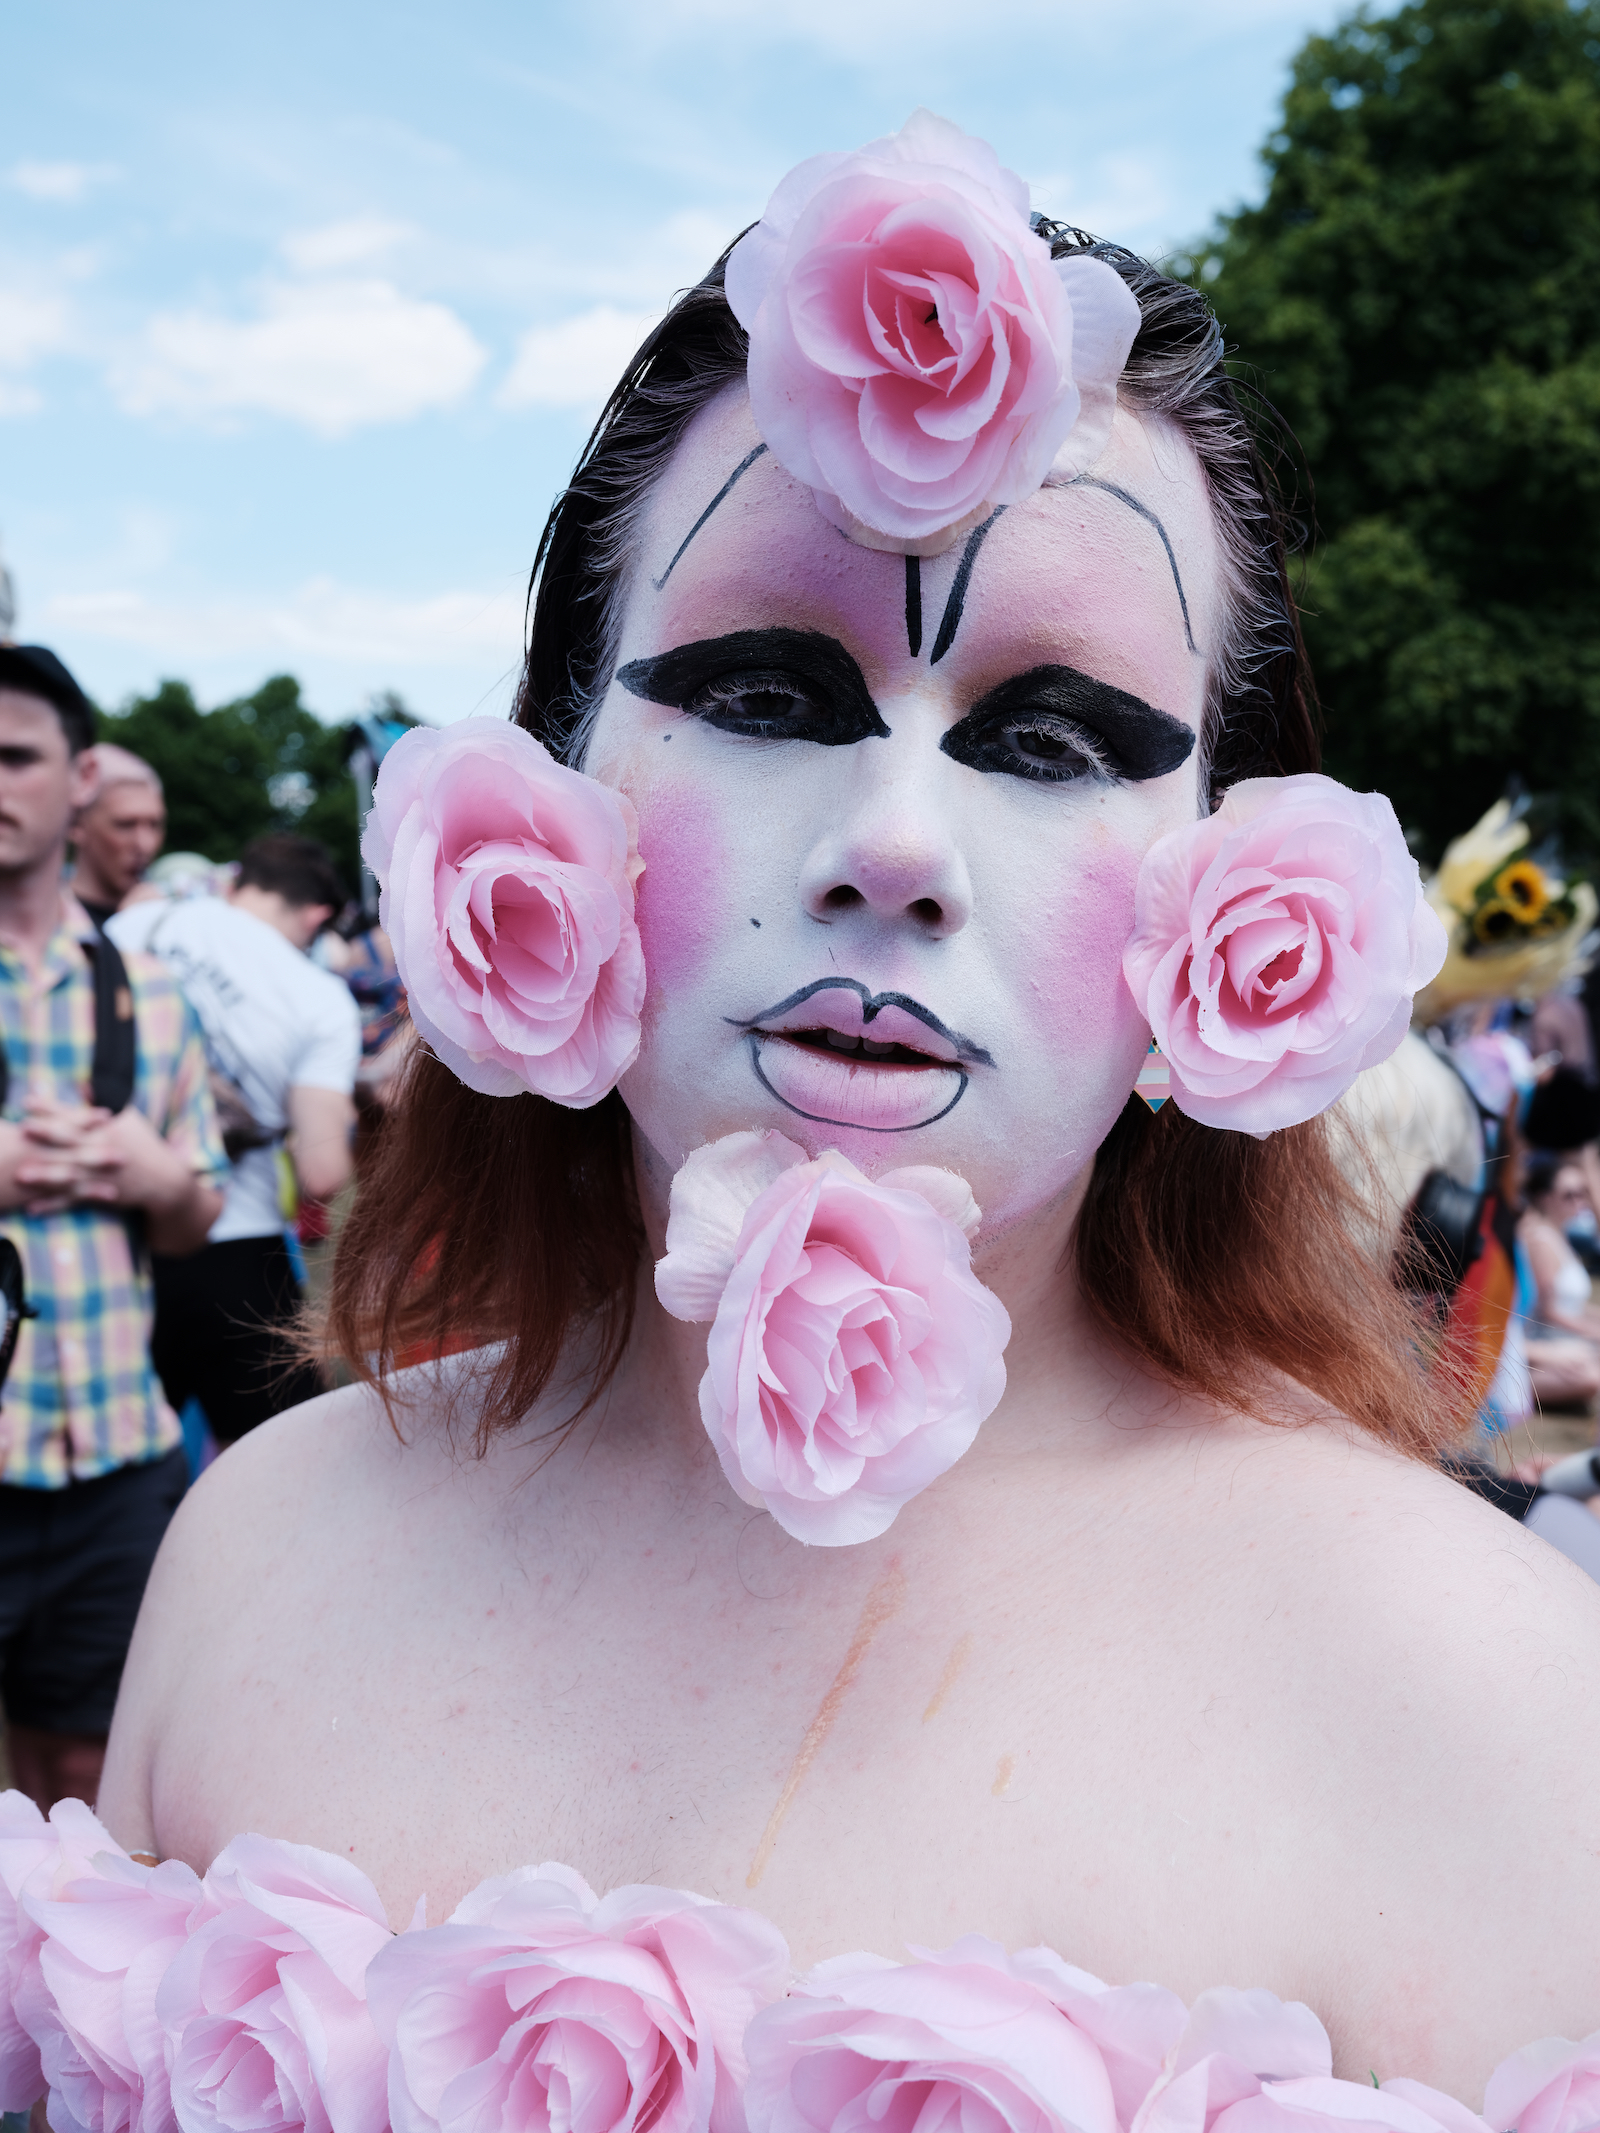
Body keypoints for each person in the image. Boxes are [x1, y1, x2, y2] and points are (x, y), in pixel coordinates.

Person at [17, 114, 1598, 2114]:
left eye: (1054, 736)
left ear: (1236, 876)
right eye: (766, 693)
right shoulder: (255, 1550)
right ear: (545, 787)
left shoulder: (1489, 1700)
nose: (891, 844)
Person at [0, 643, 224, 1813]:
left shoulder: (143, 997)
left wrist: (153, 1175)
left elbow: (193, 1226)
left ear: (78, 776)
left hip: (113, 1458)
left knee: (81, 1781)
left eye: (15, 756)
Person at [108, 833, 359, 1444]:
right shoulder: (321, 1000)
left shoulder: (141, 921)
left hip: (103, 1230)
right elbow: (323, 1174)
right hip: (232, 1246)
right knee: (286, 1470)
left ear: (243, 881)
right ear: (317, 914)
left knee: (107, 1468)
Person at [67, 745, 166, 932]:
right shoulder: (47, 921)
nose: (145, 845)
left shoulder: (167, 918)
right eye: (125, 825)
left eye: (155, 825)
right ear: (76, 824)